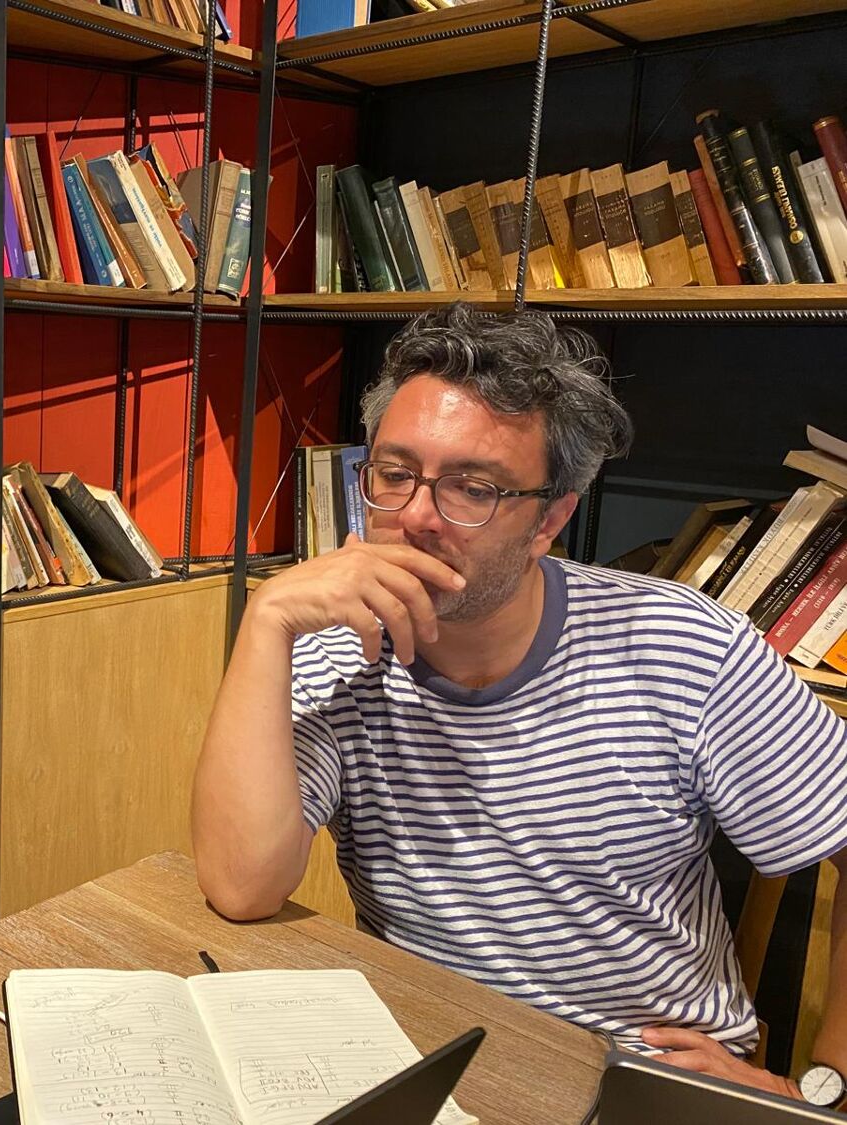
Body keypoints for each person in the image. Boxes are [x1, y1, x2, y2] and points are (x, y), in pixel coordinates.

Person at [193, 303, 847, 1105]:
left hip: (639, 1081)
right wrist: (267, 621)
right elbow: (240, 886)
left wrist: (822, 1087)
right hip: (434, 1064)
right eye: (395, 473)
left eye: (473, 486)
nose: (418, 517)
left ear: (552, 517)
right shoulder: (335, 647)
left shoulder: (687, 648)